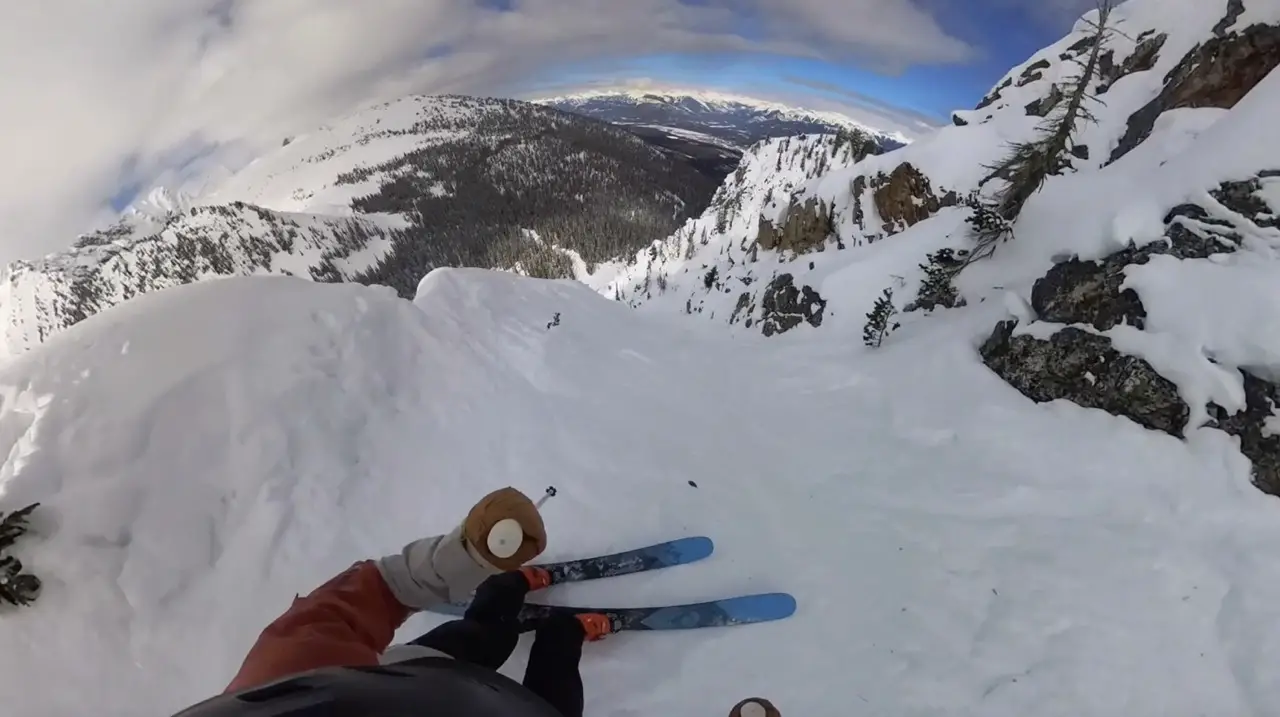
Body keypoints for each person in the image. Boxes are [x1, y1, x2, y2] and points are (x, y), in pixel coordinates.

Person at [172, 487, 612, 717]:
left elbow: (379, 588)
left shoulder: (290, 675)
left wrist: (470, 554)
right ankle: (564, 631)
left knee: (489, 633)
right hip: (525, 711)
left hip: (424, 670)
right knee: (552, 668)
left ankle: (510, 585)